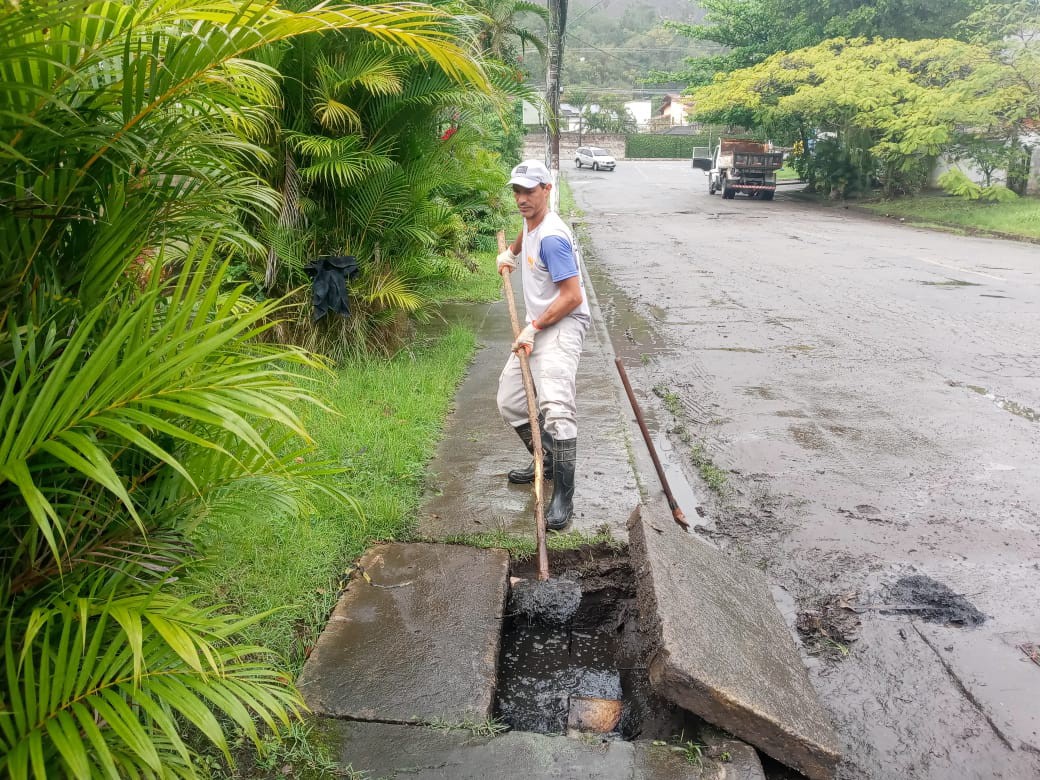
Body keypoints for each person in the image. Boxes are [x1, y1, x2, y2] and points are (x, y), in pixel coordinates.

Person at [496, 160, 591, 531]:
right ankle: (546, 462)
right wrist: (513, 254)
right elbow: (526, 230)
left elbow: (572, 296)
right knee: (511, 400)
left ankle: (564, 495)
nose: (521, 199)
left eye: (529, 191)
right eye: (517, 191)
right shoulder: (530, 217)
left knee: (555, 405)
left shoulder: (554, 238)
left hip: (563, 322)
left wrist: (533, 327)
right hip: (541, 323)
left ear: (547, 189)